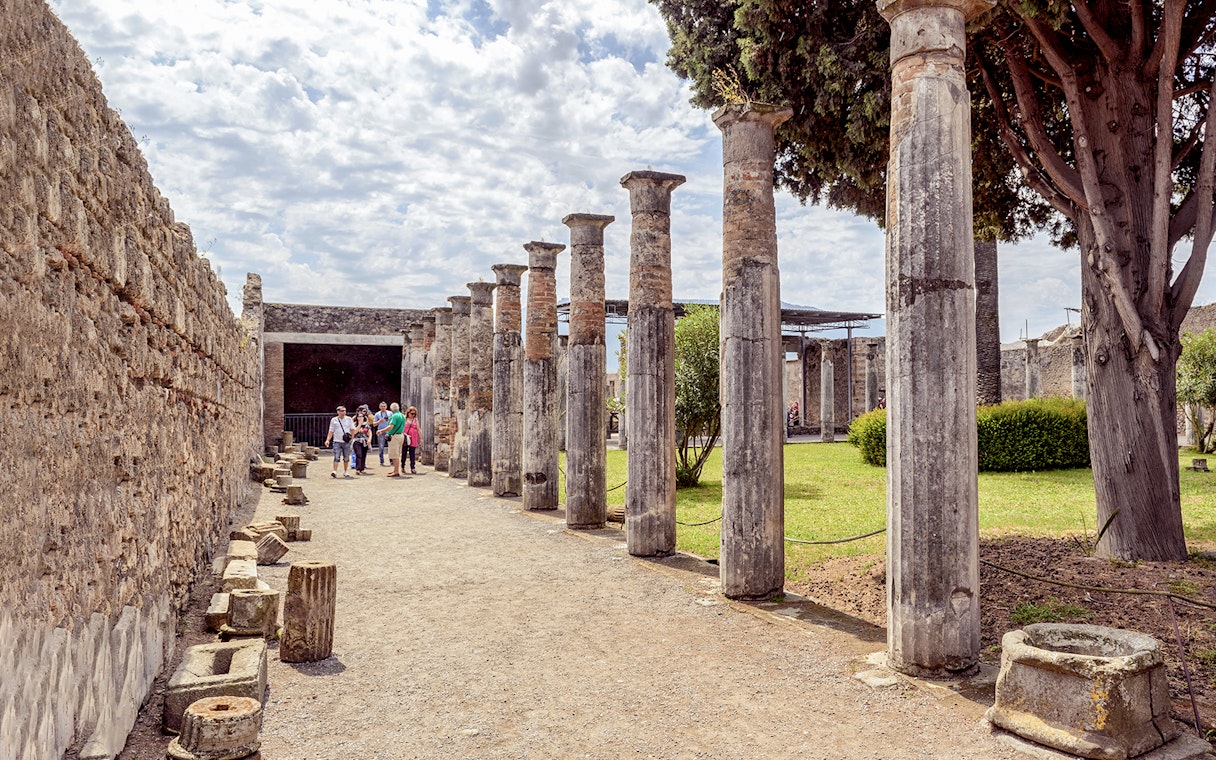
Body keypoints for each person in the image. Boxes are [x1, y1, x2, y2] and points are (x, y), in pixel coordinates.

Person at [324, 405, 354, 479]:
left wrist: (351, 438)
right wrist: (328, 439)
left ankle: (345, 471)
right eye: (341, 411)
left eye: (344, 411)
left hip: (346, 441)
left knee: (346, 457)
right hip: (337, 440)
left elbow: (352, 429)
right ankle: (335, 471)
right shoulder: (334, 420)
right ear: (338, 412)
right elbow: (331, 431)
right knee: (336, 456)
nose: (343, 412)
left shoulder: (349, 419)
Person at [384, 402, 407, 477]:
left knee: (394, 455)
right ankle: (395, 469)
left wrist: (381, 430)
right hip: (400, 435)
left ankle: (396, 471)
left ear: (391, 409)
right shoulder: (402, 416)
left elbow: (391, 427)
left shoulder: (394, 416)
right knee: (397, 453)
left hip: (394, 436)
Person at [352, 405, 374, 475]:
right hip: (357, 440)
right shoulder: (354, 423)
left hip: (365, 441)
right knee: (359, 454)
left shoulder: (366, 423)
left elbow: (369, 432)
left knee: (364, 455)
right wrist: (360, 424)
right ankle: (358, 469)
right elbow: (354, 432)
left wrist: (369, 439)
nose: (361, 417)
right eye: (359, 416)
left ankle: (362, 468)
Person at [402, 406, 421, 475]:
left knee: (412, 453)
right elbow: (401, 427)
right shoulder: (404, 418)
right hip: (405, 438)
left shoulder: (415, 419)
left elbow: (418, 429)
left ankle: (412, 467)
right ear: (408, 413)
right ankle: (402, 466)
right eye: (412, 413)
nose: (413, 415)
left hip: (413, 438)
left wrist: (421, 438)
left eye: (414, 414)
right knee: (404, 452)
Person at [373, 401, 391, 466]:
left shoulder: (390, 413)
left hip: (389, 431)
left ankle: (391, 461)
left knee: (391, 447)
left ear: (386, 407)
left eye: (384, 406)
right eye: (382, 406)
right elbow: (374, 424)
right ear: (379, 407)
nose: (383, 408)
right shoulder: (377, 414)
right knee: (381, 447)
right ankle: (381, 461)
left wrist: (389, 420)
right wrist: (379, 421)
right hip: (381, 432)